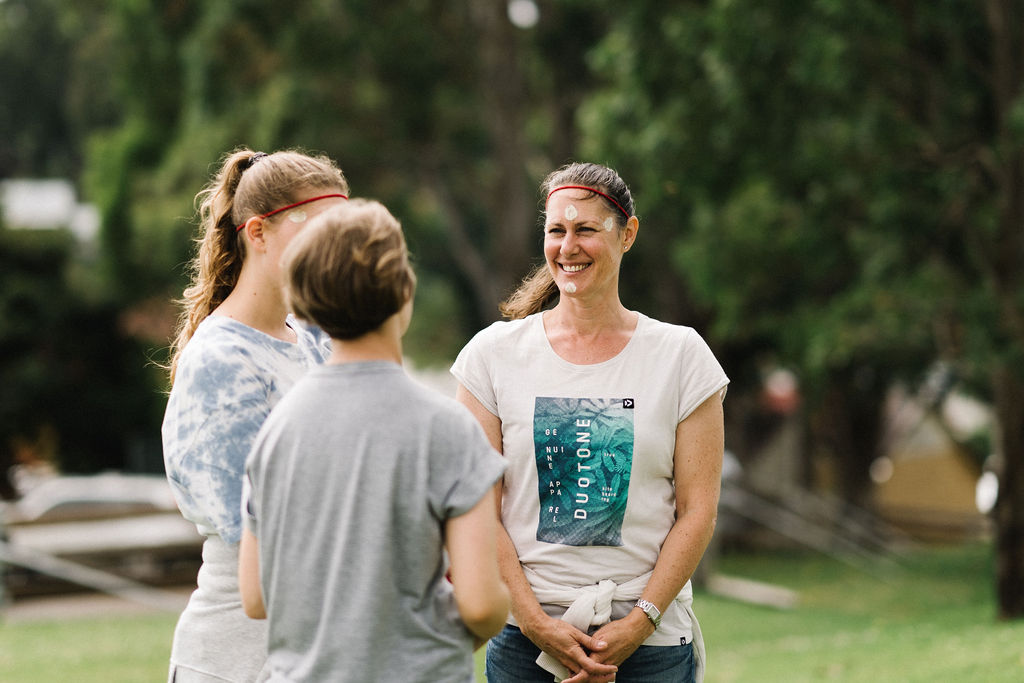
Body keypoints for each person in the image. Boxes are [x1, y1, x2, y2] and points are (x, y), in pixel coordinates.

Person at [451, 162, 729, 683]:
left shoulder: (682, 357)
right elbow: (477, 508)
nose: (567, 246)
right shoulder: (491, 356)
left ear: (628, 235)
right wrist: (535, 623)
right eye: (556, 230)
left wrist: (639, 623)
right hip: (523, 644)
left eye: (585, 230)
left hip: (651, 646)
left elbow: (698, 510)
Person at [238, 199, 510, 682]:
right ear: (404, 292)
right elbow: (482, 605)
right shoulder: (447, 429)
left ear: (303, 300)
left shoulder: (275, 433)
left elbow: (256, 597)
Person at [162, 148, 349, 682]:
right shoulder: (221, 359)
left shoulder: (317, 338)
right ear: (258, 232)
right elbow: (257, 534)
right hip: (241, 660)